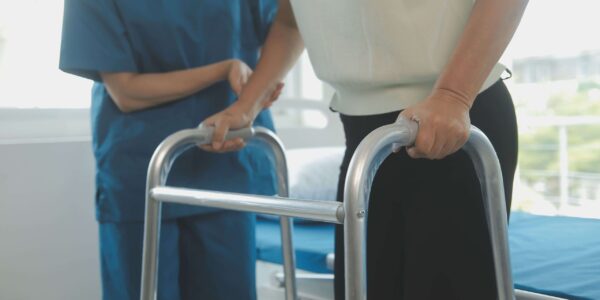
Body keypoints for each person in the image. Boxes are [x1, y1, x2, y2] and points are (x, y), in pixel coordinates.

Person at [203, 0, 528, 299]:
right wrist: (246, 107)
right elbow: (290, 21)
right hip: (364, 140)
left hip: (450, 124)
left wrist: (453, 95)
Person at [59, 1, 282, 299]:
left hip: (224, 169)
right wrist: (223, 70)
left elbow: (290, 25)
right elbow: (126, 91)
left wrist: (253, 96)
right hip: (144, 169)